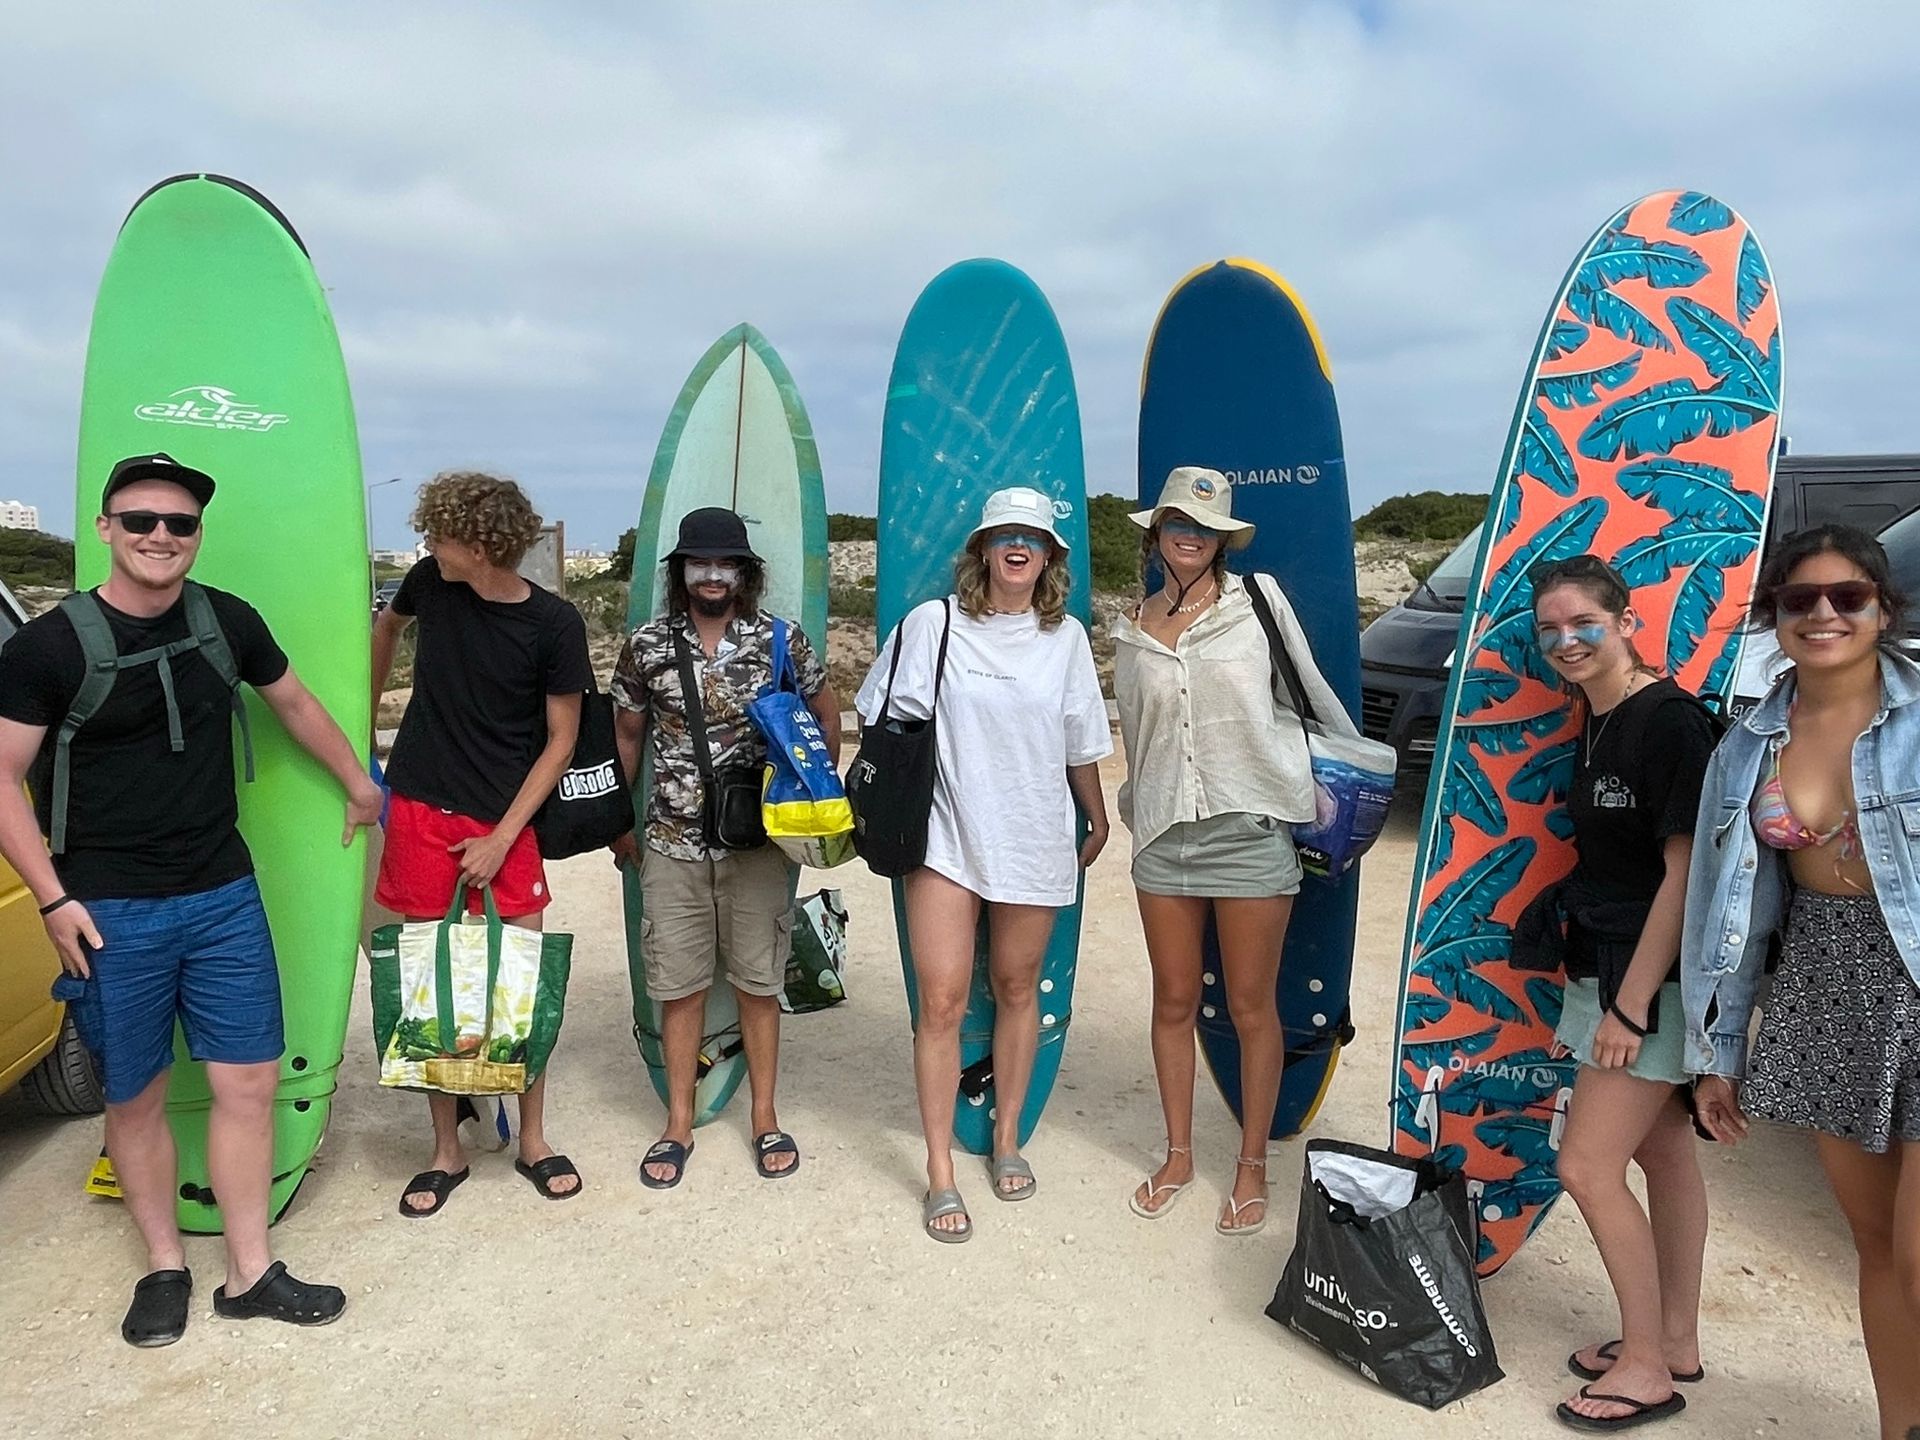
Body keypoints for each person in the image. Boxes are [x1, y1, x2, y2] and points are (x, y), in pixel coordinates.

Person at [0, 452, 384, 1346]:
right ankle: (165, 1264)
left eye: (178, 524)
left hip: (221, 895)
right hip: (107, 909)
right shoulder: (50, 647)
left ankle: (250, 1271)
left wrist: (358, 784)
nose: (160, 537)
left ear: (196, 536)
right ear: (105, 528)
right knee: (132, 1097)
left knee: (245, 1084)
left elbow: (292, 704)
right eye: (140, 520)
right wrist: (54, 900)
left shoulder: (226, 621)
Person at [1683, 526, 1920, 1440]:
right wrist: (1719, 1051)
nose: (1823, 613)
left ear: (1882, 609)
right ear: (1774, 616)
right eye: (1798, 599)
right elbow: (1725, 911)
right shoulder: (1746, 744)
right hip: (1824, 992)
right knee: (1871, 1245)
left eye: (1847, 597)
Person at [855, 485, 1111, 1243]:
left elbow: (1080, 739)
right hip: (943, 839)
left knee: (1015, 987)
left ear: (1050, 556)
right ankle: (939, 1170)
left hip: (1032, 834)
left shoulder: (1062, 639)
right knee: (939, 1002)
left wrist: (1095, 815)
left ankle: (1005, 1141)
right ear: (985, 549)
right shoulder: (933, 624)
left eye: (1032, 537)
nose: (1018, 547)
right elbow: (879, 716)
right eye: (1005, 535)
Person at [1503, 555, 1719, 1433]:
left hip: (1648, 982)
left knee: (1586, 1167)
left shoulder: (1668, 722)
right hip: (1608, 964)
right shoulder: (1596, 718)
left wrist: (1630, 1008)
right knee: (1663, 1156)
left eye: (1583, 623)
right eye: (1550, 629)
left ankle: (1642, 1369)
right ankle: (1674, 1340)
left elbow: (1685, 876)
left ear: (1626, 620)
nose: (1565, 641)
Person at [1111, 467, 1346, 1237]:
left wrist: (1342, 781)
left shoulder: (1259, 605)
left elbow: (1308, 695)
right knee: (1173, 1003)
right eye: (1178, 520)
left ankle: (1251, 1165)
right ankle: (1179, 1154)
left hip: (1248, 831)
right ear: (1158, 531)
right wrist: (1134, 808)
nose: (1190, 533)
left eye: (1206, 525)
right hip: (1165, 837)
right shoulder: (1133, 625)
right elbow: (1139, 735)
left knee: (1250, 1007)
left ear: (1222, 539)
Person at [372, 470, 589, 1215]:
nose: (428, 543)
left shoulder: (554, 624)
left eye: (441, 533)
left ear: (483, 545)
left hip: (507, 821)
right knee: (435, 987)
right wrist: (364, 729)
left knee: (516, 985)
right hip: (421, 810)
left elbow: (561, 742)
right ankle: (445, 1150)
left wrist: (502, 836)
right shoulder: (430, 581)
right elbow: (385, 630)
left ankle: (532, 1138)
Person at [610, 507, 839, 1189]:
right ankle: (677, 1123)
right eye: (698, 564)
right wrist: (615, 821)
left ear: (745, 572)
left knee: (758, 985)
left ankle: (765, 1116)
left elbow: (827, 715)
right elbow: (625, 733)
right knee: (677, 991)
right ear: (681, 572)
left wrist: (808, 801)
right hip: (671, 846)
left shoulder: (780, 640)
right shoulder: (648, 644)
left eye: (725, 564)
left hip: (758, 847)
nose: (712, 576)